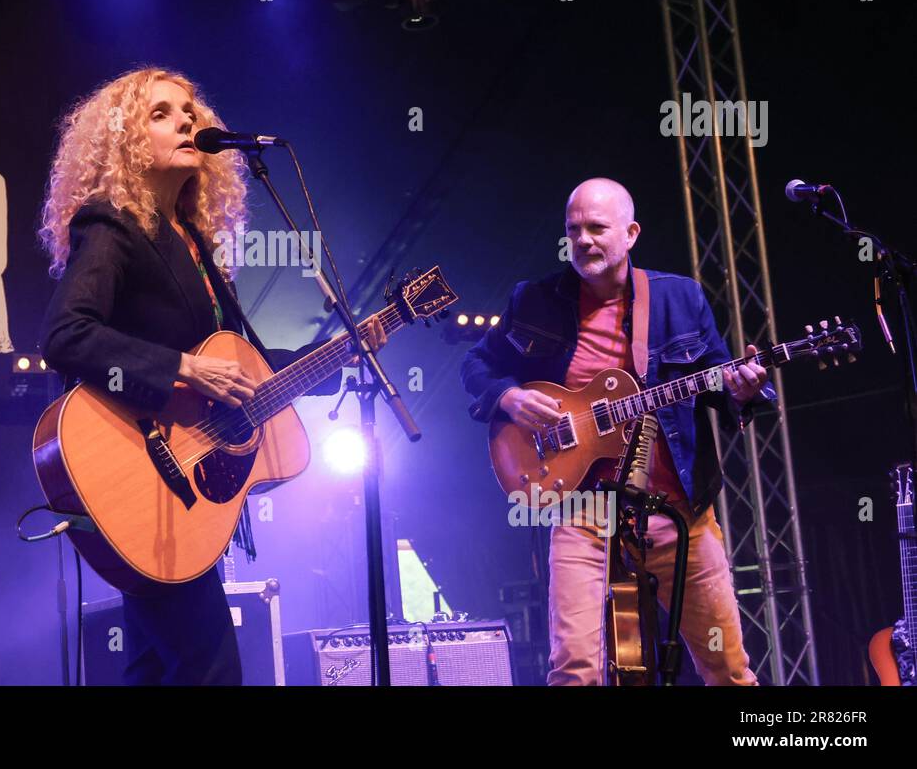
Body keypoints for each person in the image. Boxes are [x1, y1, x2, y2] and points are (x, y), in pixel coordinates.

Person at [38, 67, 382, 685]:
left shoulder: (191, 238)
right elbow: (66, 335)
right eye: (162, 113)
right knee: (212, 669)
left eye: (192, 110)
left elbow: (247, 370)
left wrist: (337, 355)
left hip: (185, 497)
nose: (188, 120)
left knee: (154, 671)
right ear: (126, 144)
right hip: (136, 474)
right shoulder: (113, 224)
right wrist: (181, 367)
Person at [462, 177, 772, 685]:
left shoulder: (680, 298)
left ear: (630, 233)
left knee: (728, 670)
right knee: (574, 671)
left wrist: (742, 388)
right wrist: (509, 397)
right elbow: (477, 365)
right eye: (574, 229)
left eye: (597, 228)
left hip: (678, 512)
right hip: (583, 511)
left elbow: (719, 377)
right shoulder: (535, 300)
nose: (583, 240)